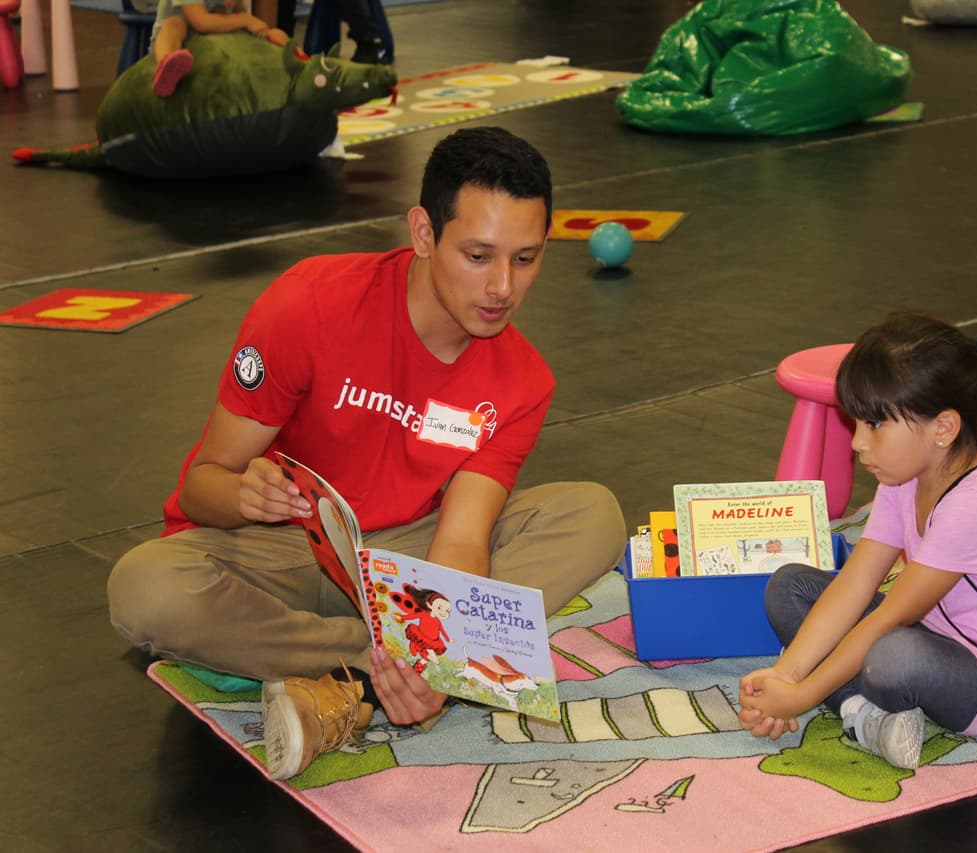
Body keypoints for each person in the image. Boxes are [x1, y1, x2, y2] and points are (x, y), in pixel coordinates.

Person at [108, 126, 627, 780]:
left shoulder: (523, 381)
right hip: (288, 544)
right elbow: (199, 489)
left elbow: (463, 540)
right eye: (478, 255)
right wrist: (246, 493)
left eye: (525, 259)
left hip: (412, 555)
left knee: (592, 514)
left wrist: (435, 645)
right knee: (144, 587)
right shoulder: (310, 304)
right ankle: (371, 667)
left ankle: (365, 677)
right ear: (422, 233)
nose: (502, 286)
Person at [738, 313, 977, 769]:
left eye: (875, 425)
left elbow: (890, 617)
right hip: (932, 634)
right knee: (789, 587)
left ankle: (850, 702)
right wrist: (787, 675)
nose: (858, 443)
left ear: (943, 428)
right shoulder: (902, 478)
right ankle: (861, 715)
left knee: (890, 657)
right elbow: (854, 584)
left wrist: (800, 696)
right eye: (856, 422)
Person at [149, 0, 289, 97]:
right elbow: (200, 21)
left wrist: (264, 31)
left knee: (276, 34)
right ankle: (166, 65)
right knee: (174, 24)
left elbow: (236, 12)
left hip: (213, 42)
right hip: (182, 40)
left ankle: (297, 67)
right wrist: (246, 21)